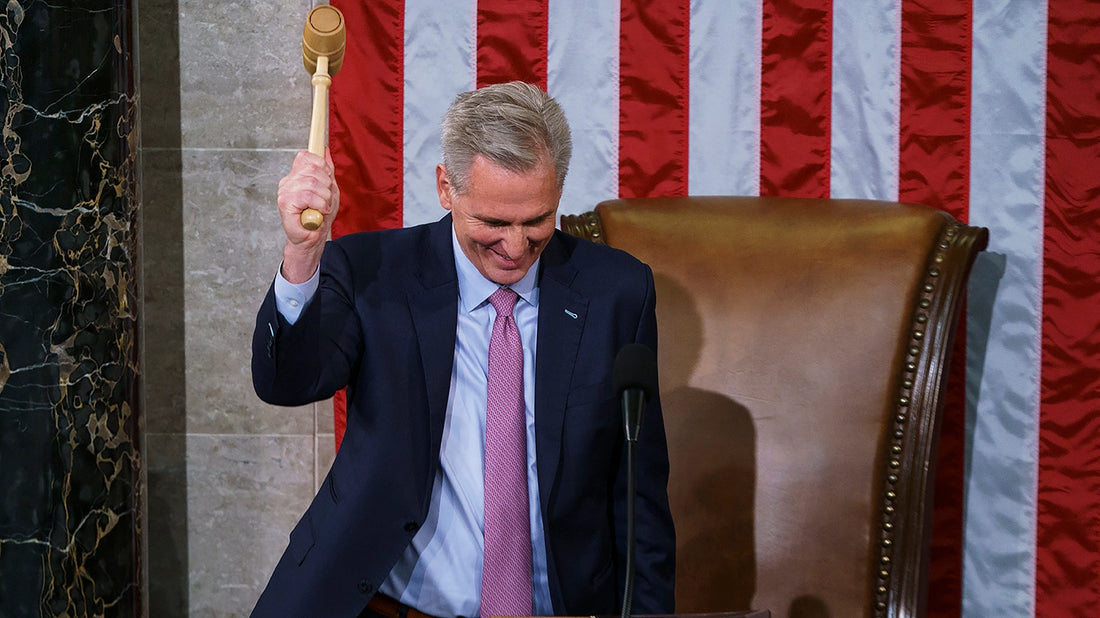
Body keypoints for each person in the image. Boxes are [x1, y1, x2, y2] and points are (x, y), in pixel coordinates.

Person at [250, 81, 675, 617]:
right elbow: (286, 381)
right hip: (385, 607)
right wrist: (302, 254)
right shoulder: (373, 273)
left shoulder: (617, 293)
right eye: (493, 223)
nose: (515, 248)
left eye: (536, 221)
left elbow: (640, 502)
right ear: (446, 188)